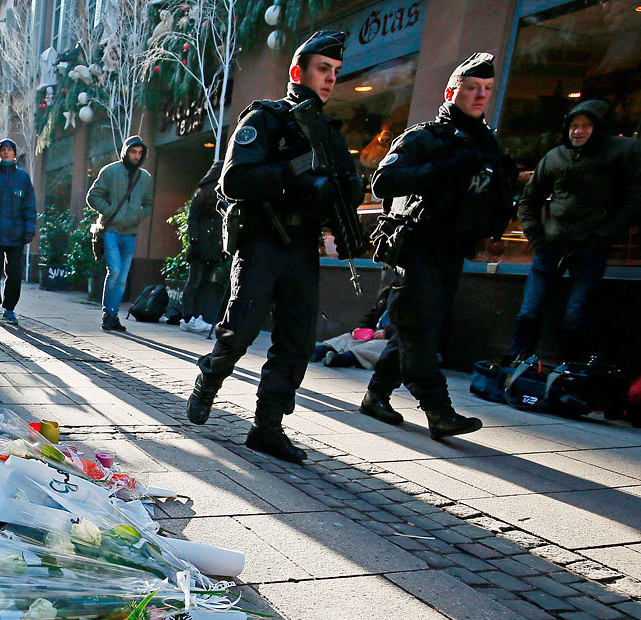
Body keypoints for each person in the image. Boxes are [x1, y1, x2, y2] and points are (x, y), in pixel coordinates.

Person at [185, 30, 361, 463]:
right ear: (297, 72)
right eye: (323, 69)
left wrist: (341, 191)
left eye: (336, 72)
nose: (330, 79)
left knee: (296, 341)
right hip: (264, 238)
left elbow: (347, 188)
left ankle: (268, 427)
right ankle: (210, 376)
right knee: (241, 328)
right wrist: (297, 170)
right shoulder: (265, 119)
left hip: (304, 244)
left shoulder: (331, 133)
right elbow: (235, 180)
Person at [358, 53, 518, 439]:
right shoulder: (425, 138)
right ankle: (438, 411)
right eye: (471, 89)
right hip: (417, 247)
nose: (480, 96)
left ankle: (376, 395)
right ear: (452, 91)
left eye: (487, 90)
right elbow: (384, 181)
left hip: (453, 249)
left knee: (415, 329)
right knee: (420, 328)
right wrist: (445, 170)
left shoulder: (487, 144)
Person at [506, 99, 641, 363]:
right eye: (574, 126)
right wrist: (538, 238)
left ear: (599, 128)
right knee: (529, 313)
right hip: (550, 248)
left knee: (575, 317)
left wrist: (602, 236)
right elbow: (528, 199)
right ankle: (515, 366)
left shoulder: (622, 152)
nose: (578, 131)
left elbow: (635, 201)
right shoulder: (556, 156)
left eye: (586, 126)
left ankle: (567, 374)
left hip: (589, 249)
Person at [86, 136, 154, 331]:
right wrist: (110, 211)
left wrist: (137, 215)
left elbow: (148, 203)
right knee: (114, 272)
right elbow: (93, 196)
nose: (136, 156)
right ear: (126, 151)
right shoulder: (110, 171)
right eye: (133, 152)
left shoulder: (145, 177)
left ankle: (113, 315)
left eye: (140, 153)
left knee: (122, 279)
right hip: (111, 230)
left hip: (130, 233)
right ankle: (107, 313)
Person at [0, 138, 37, 324]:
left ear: (14, 153)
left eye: (9, 150)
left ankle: (9, 308)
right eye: (2, 150)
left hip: (16, 233)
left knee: (14, 272)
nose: (6, 152)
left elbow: (29, 206)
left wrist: (29, 229)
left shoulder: (22, 178)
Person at [180, 161, 227, 335]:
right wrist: (195, 240)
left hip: (207, 244)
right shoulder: (207, 194)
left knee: (199, 282)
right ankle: (189, 317)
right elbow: (193, 219)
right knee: (199, 282)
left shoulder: (205, 193)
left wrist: (194, 240)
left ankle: (193, 316)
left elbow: (193, 218)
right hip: (208, 244)